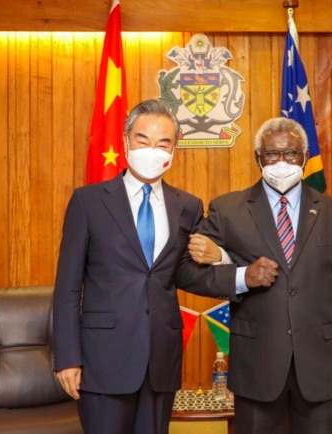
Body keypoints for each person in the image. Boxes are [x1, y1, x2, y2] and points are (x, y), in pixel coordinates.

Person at [52, 99, 238, 434]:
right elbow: (66, 287)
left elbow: (184, 274)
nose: (152, 150)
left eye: (163, 142)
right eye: (143, 140)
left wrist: (222, 258)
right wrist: (67, 357)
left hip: (161, 360)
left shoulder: (187, 206)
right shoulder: (88, 202)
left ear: (174, 148)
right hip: (103, 359)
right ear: (125, 142)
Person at [186, 117, 332, 434]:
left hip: (319, 365)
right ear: (257, 158)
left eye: (290, 153)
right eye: (271, 155)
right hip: (256, 366)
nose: (281, 162)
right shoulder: (228, 209)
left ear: (304, 156)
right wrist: (242, 277)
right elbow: (188, 274)